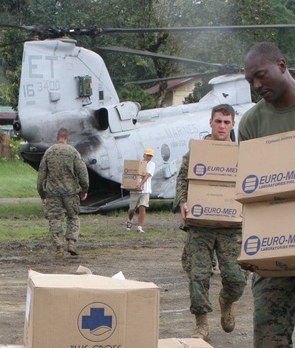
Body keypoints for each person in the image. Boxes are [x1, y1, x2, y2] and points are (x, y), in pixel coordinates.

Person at [174, 103, 247, 341]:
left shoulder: (241, 155)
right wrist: (183, 202)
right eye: (218, 121)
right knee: (198, 276)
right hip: (200, 227)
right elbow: (182, 182)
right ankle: (201, 323)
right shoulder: (195, 154)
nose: (222, 126)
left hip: (231, 228)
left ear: (233, 124)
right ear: (210, 122)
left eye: (227, 122)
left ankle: (226, 301)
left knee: (237, 278)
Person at [241, 42, 295, 348]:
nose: (257, 85)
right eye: (250, 81)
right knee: (269, 339)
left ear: (282, 65)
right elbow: (250, 191)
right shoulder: (252, 122)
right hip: (275, 250)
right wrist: (250, 243)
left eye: (261, 76)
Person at [37, 127, 89, 257]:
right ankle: (71, 242)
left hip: (53, 193)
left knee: (55, 219)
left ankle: (59, 248)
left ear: (57, 137)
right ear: (67, 137)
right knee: (73, 217)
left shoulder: (49, 152)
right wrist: (84, 189)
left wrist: (42, 193)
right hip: (71, 192)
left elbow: (41, 176)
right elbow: (83, 173)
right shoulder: (73, 152)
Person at [126, 149, 156, 233]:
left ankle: (139, 227)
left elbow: (147, 175)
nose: (148, 157)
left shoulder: (152, 164)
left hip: (145, 190)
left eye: (150, 156)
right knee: (132, 209)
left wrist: (141, 184)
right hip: (135, 190)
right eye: (147, 155)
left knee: (143, 207)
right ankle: (130, 220)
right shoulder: (138, 164)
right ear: (144, 155)